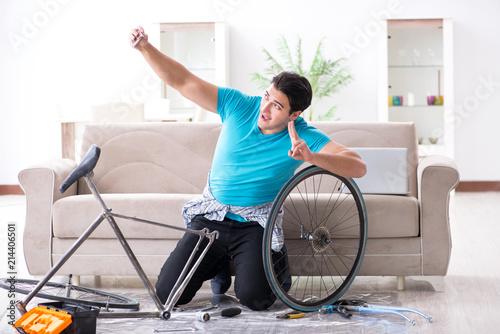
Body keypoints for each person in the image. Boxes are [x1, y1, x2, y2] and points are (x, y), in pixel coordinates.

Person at [129, 26, 366, 311]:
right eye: (267, 96)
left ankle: (276, 269)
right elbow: (182, 81)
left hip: (255, 226)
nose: (265, 108)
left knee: (256, 299)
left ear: (294, 114)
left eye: (276, 106)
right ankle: (218, 263)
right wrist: (145, 47)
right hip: (211, 217)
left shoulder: (303, 134)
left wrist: (312, 156)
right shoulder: (238, 104)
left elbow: (358, 166)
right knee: (168, 294)